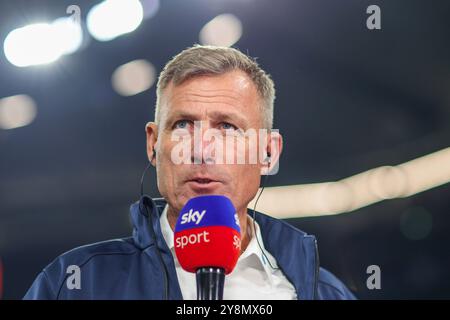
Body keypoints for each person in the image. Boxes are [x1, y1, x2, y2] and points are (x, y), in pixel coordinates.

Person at [24, 45, 356, 300]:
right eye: (183, 124)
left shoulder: (326, 293)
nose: (200, 148)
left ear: (268, 153)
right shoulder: (74, 284)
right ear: (153, 144)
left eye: (226, 127)